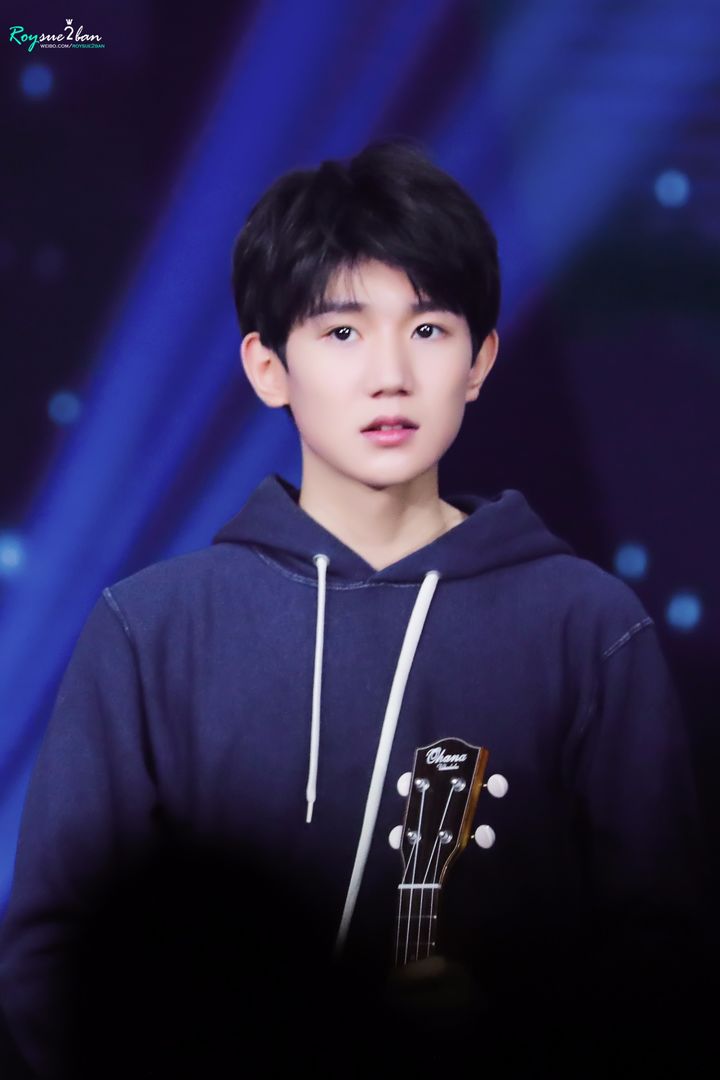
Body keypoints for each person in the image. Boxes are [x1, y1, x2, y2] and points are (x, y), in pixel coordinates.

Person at [0, 139, 707, 1077]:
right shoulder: (153, 629)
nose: (390, 375)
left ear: (480, 360)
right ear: (268, 367)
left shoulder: (588, 626)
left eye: (429, 329)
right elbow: (50, 955)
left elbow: (663, 956)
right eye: (341, 333)